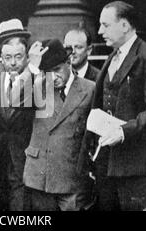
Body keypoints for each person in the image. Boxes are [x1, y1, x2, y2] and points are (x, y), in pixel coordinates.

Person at [91, 1, 146, 211]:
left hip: (141, 169)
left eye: (105, 25)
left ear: (125, 26)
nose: (100, 31)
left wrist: (123, 132)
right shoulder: (111, 58)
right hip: (110, 167)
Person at [17, 39, 95, 211]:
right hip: (40, 176)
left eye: (57, 70)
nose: (53, 77)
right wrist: (31, 67)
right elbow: (15, 99)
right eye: (47, 72)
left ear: (68, 62)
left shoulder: (90, 89)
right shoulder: (39, 87)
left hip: (72, 176)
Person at [0, 18, 35, 210]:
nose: (13, 62)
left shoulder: (35, 75)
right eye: (7, 56)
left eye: (18, 56)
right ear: (1, 54)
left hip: (24, 154)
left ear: (26, 54)